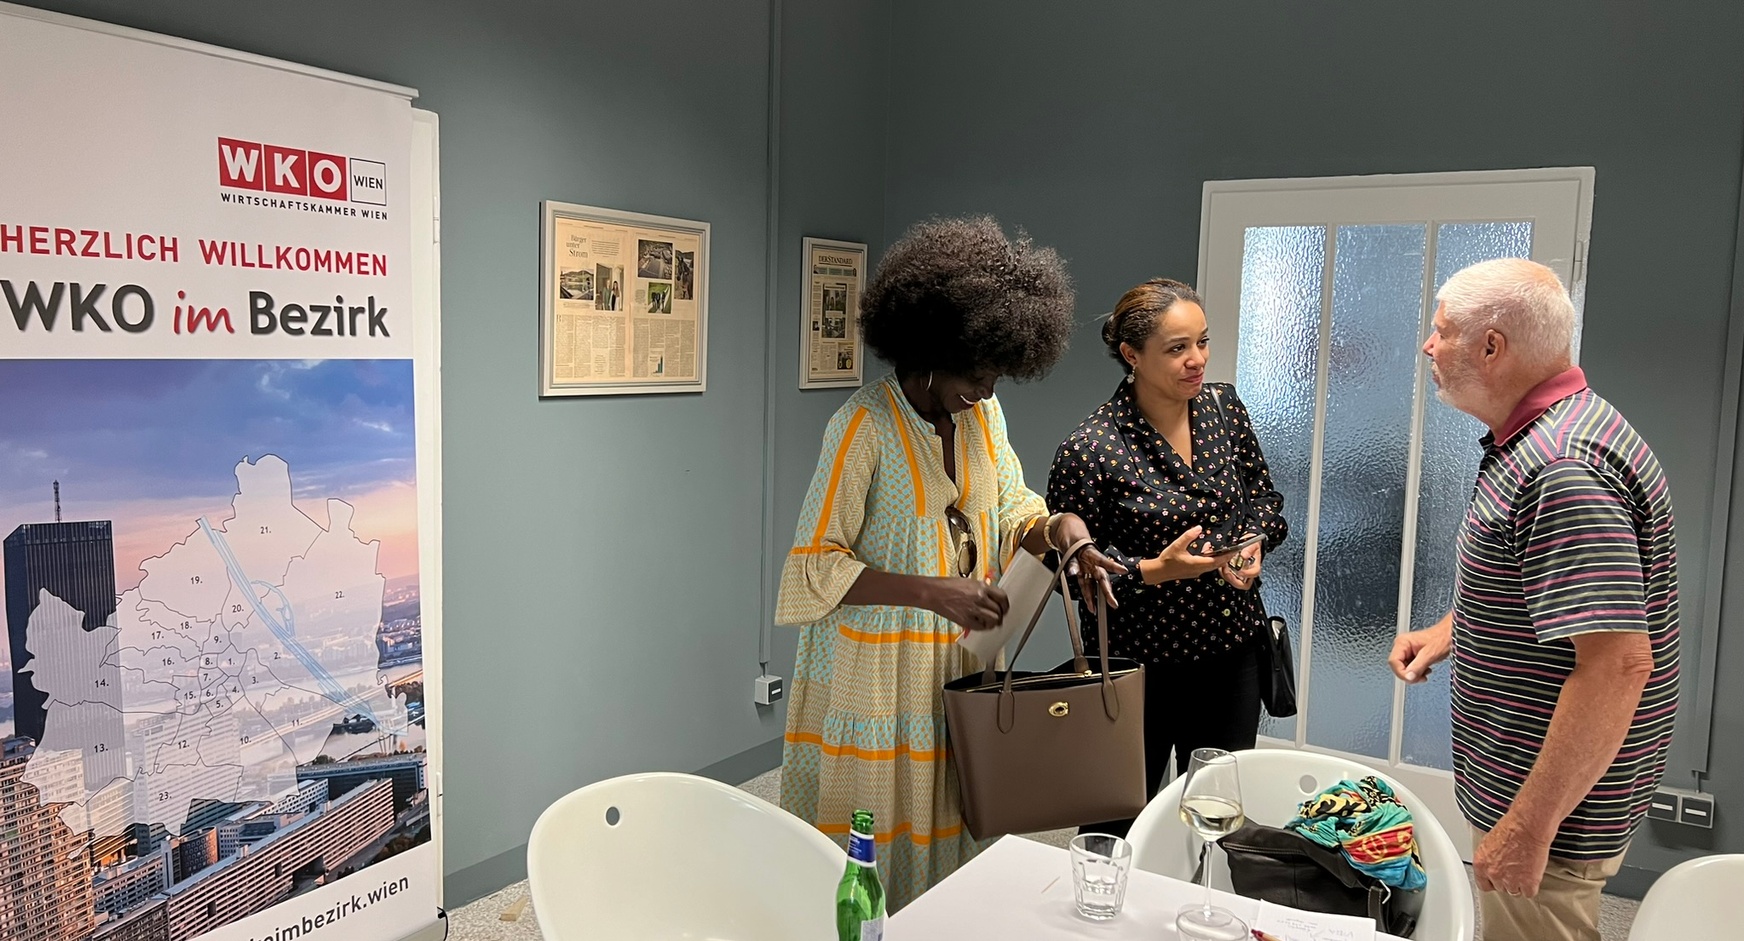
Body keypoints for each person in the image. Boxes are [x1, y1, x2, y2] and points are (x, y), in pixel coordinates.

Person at [776, 215, 1126, 910]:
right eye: (977, 373)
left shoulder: (982, 419)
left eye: (998, 374)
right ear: (931, 349)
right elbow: (814, 566)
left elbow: (1015, 507)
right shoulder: (861, 427)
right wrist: (932, 592)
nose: (989, 390)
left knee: (951, 822)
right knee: (876, 845)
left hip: (956, 662)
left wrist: (1066, 532)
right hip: (875, 679)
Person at [1388, 258, 1677, 941]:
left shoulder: (1561, 466)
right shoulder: (1546, 434)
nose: (1428, 346)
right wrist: (1456, 628)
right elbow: (1556, 588)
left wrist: (1528, 826)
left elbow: (1617, 665)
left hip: (1554, 809)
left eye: (1442, 331)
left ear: (1492, 347)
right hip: (1541, 783)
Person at [1046, 278, 1287, 838]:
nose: (1197, 359)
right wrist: (1157, 570)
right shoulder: (1090, 449)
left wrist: (1251, 546)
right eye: (1177, 348)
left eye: (1202, 342)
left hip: (1231, 655)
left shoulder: (1224, 408)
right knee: (1114, 824)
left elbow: (1265, 501)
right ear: (1131, 355)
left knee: (1215, 822)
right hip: (1137, 669)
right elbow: (1070, 578)